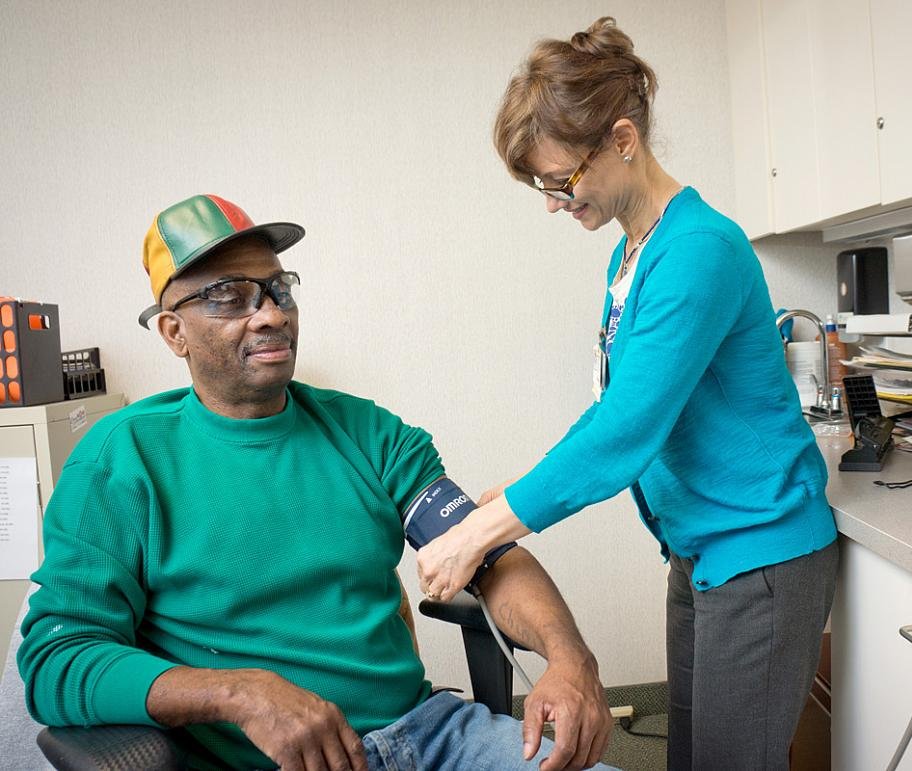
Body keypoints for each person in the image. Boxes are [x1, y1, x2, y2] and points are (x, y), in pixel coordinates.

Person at [18, 194, 614, 771]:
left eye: (279, 289)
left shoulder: (370, 433)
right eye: (231, 297)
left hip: (427, 736)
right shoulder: (124, 457)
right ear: (175, 333)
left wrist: (569, 657)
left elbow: (488, 557)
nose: (272, 313)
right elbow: (57, 660)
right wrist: (241, 693)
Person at [415, 18, 839, 771]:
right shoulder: (632, 251)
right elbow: (616, 402)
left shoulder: (697, 249)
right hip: (698, 548)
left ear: (619, 139)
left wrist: (480, 531)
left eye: (560, 180)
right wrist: (504, 498)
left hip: (759, 551)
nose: (552, 202)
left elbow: (627, 429)